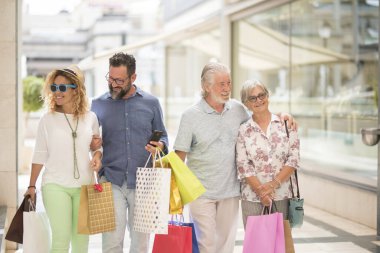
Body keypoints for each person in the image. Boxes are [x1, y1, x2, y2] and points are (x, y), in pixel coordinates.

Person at [173, 62, 296, 253]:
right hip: (200, 193)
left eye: (228, 83)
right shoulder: (190, 116)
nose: (226, 88)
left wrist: (283, 115)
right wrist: (175, 195)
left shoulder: (237, 109)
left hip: (230, 191)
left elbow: (260, 115)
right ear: (206, 87)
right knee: (207, 244)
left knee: (225, 246)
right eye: (221, 84)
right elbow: (179, 156)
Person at [90, 52, 169, 253]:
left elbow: (164, 138)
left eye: (119, 80)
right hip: (111, 180)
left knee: (140, 244)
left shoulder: (151, 103)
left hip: (144, 182)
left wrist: (160, 145)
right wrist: (93, 146)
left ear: (133, 77)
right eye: (111, 78)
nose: (114, 84)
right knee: (110, 243)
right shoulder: (98, 104)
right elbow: (90, 142)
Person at [25, 65, 103, 253]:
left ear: (76, 89)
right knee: (61, 239)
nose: (57, 93)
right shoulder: (47, 119)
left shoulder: (90, 117)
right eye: (54, 87)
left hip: (84, 186)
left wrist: (97, 157)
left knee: (81, 243)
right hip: (55, 185)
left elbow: (96, 147)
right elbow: (39, 154)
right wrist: (31, 186)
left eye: (62, 88)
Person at [236, 79, 300, 229]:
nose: (259, 100)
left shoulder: (286, 125)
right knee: (257, 245)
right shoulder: (243, 130)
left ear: (267, 96)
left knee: (280, 245)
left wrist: (273, 185)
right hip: (252, 197)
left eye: (262, 95)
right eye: (253, 98)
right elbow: (243, 165)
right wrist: (261, 192)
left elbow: (294, 159)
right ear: (246, 103)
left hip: (283, 194)